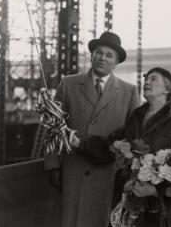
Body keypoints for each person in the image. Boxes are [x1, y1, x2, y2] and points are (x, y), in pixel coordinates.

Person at [72, 67, 171, 227]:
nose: (147, 82)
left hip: (160, 207)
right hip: (128, 199)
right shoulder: (137, 116)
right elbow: (111, 145)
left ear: (168, 89)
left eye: (153, 79)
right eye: (146, 79)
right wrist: (80, 144)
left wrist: (155, 190)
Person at [44, 31, 140, 227]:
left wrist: (130, 174)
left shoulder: (129, 92)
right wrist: (52, 164)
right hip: (73, 170)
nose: (102, 58)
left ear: (116, 62)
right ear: (92, 55)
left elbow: (135, 136)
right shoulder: (68, 83)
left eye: (109, 55)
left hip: (107, 173)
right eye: (99, 52)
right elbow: (52, 126)